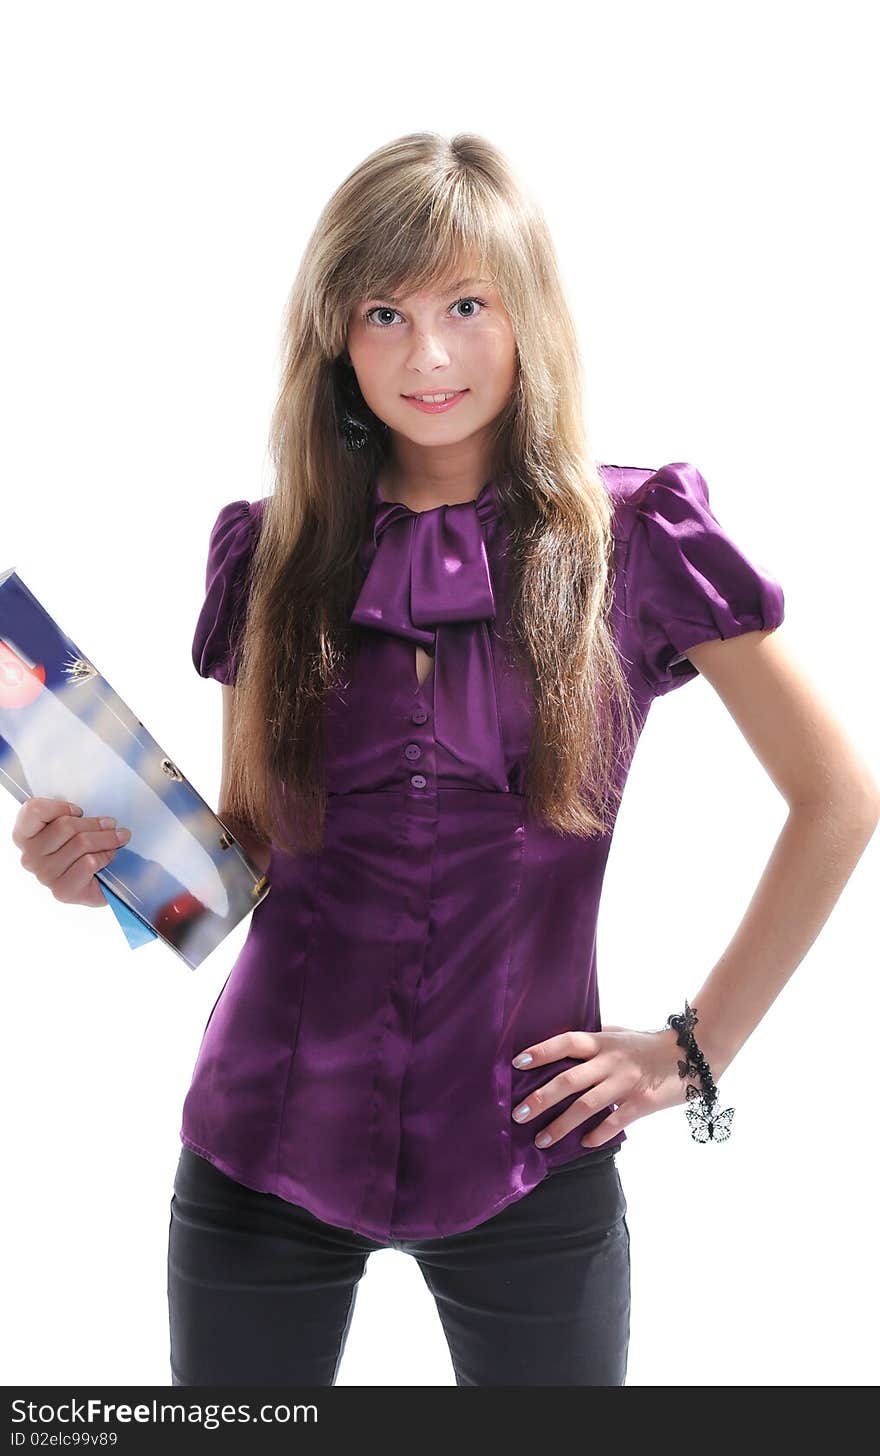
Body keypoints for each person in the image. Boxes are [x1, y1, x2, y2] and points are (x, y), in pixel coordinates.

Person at [13, 132, 879, 1388]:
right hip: (262, 1142)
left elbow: (838, 797)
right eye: (385, 312)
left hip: (534, 1145)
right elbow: (251, 848)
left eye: (467, 305)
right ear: (335, 339)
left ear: (527, 313)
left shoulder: (634, 541)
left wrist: (693, 1049)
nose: (427, 354)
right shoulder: (271, 557)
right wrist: (103, 867)